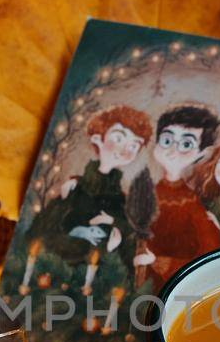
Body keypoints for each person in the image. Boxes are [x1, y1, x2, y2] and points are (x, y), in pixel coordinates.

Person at [18, 106, 153, 302]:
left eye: (134, 146)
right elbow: (46, 228)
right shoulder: (75, 187)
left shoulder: (119, 196)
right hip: (62, 272)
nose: (125, 150)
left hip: (100, 280)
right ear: (98, 139)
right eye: (118, 138)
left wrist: (114, 223)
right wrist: (79, 232)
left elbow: (126, 230)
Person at [131, 105, 220, 290]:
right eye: (167, 140)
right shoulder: (147, 191)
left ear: (201, 154)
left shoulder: (190, 203)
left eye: (186, 144)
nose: (172, 150)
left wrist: (157, 261)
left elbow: (210, 255)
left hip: (168, 290)